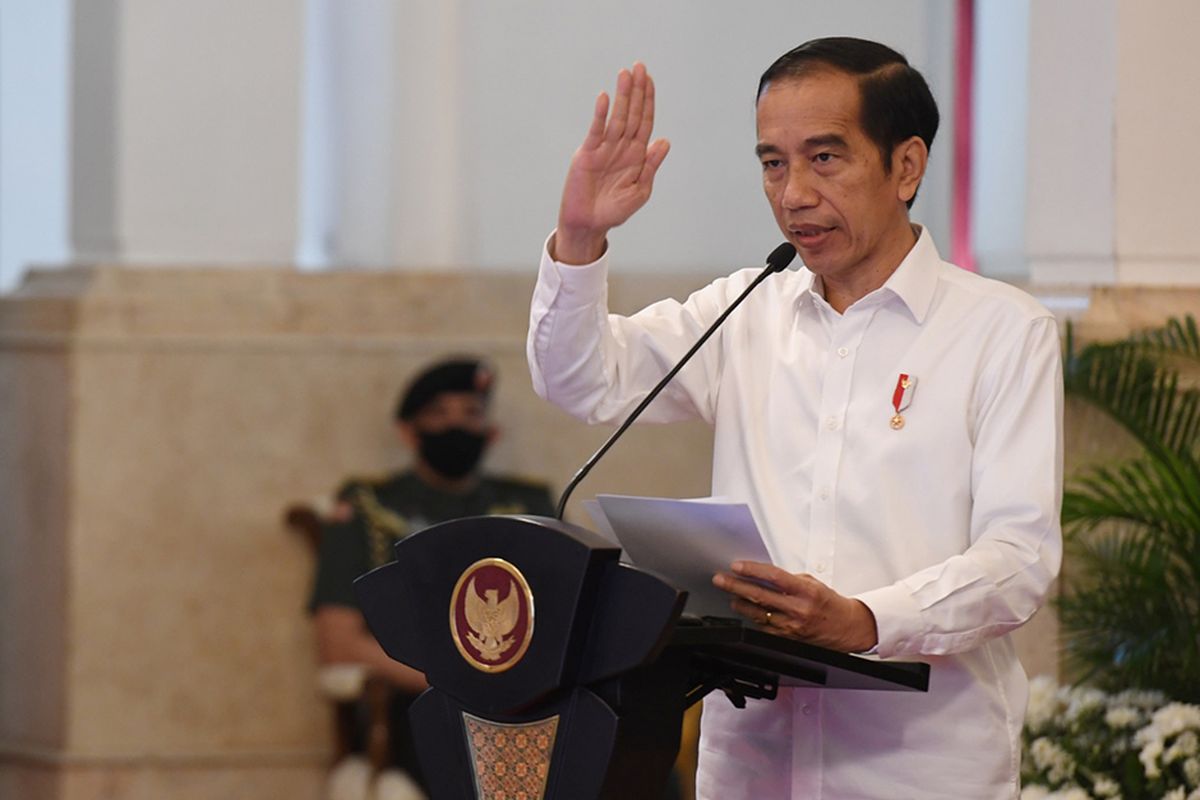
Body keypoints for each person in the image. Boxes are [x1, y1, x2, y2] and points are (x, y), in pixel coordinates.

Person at [527, 38, 1062, 799]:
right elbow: (579, 381)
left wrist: (865, 619)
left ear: (906, 166)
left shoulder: (1002, 331)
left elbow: (1019, 558)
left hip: (918, 771)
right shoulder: (745, 311)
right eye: (773, 163)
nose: (794, 194)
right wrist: (580, 239)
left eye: (824, 158)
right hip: (753, 766)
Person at [308, 357, 555, 794]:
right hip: (424, 701)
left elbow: (567, 612)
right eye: (438, 414)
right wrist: (458, 682)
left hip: (531, 700)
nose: (455, 426)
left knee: (625, 748)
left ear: (490, 433)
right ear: (408, 431)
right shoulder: (367, 507)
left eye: (471, 413)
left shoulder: (527, 505)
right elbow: (339, 640)